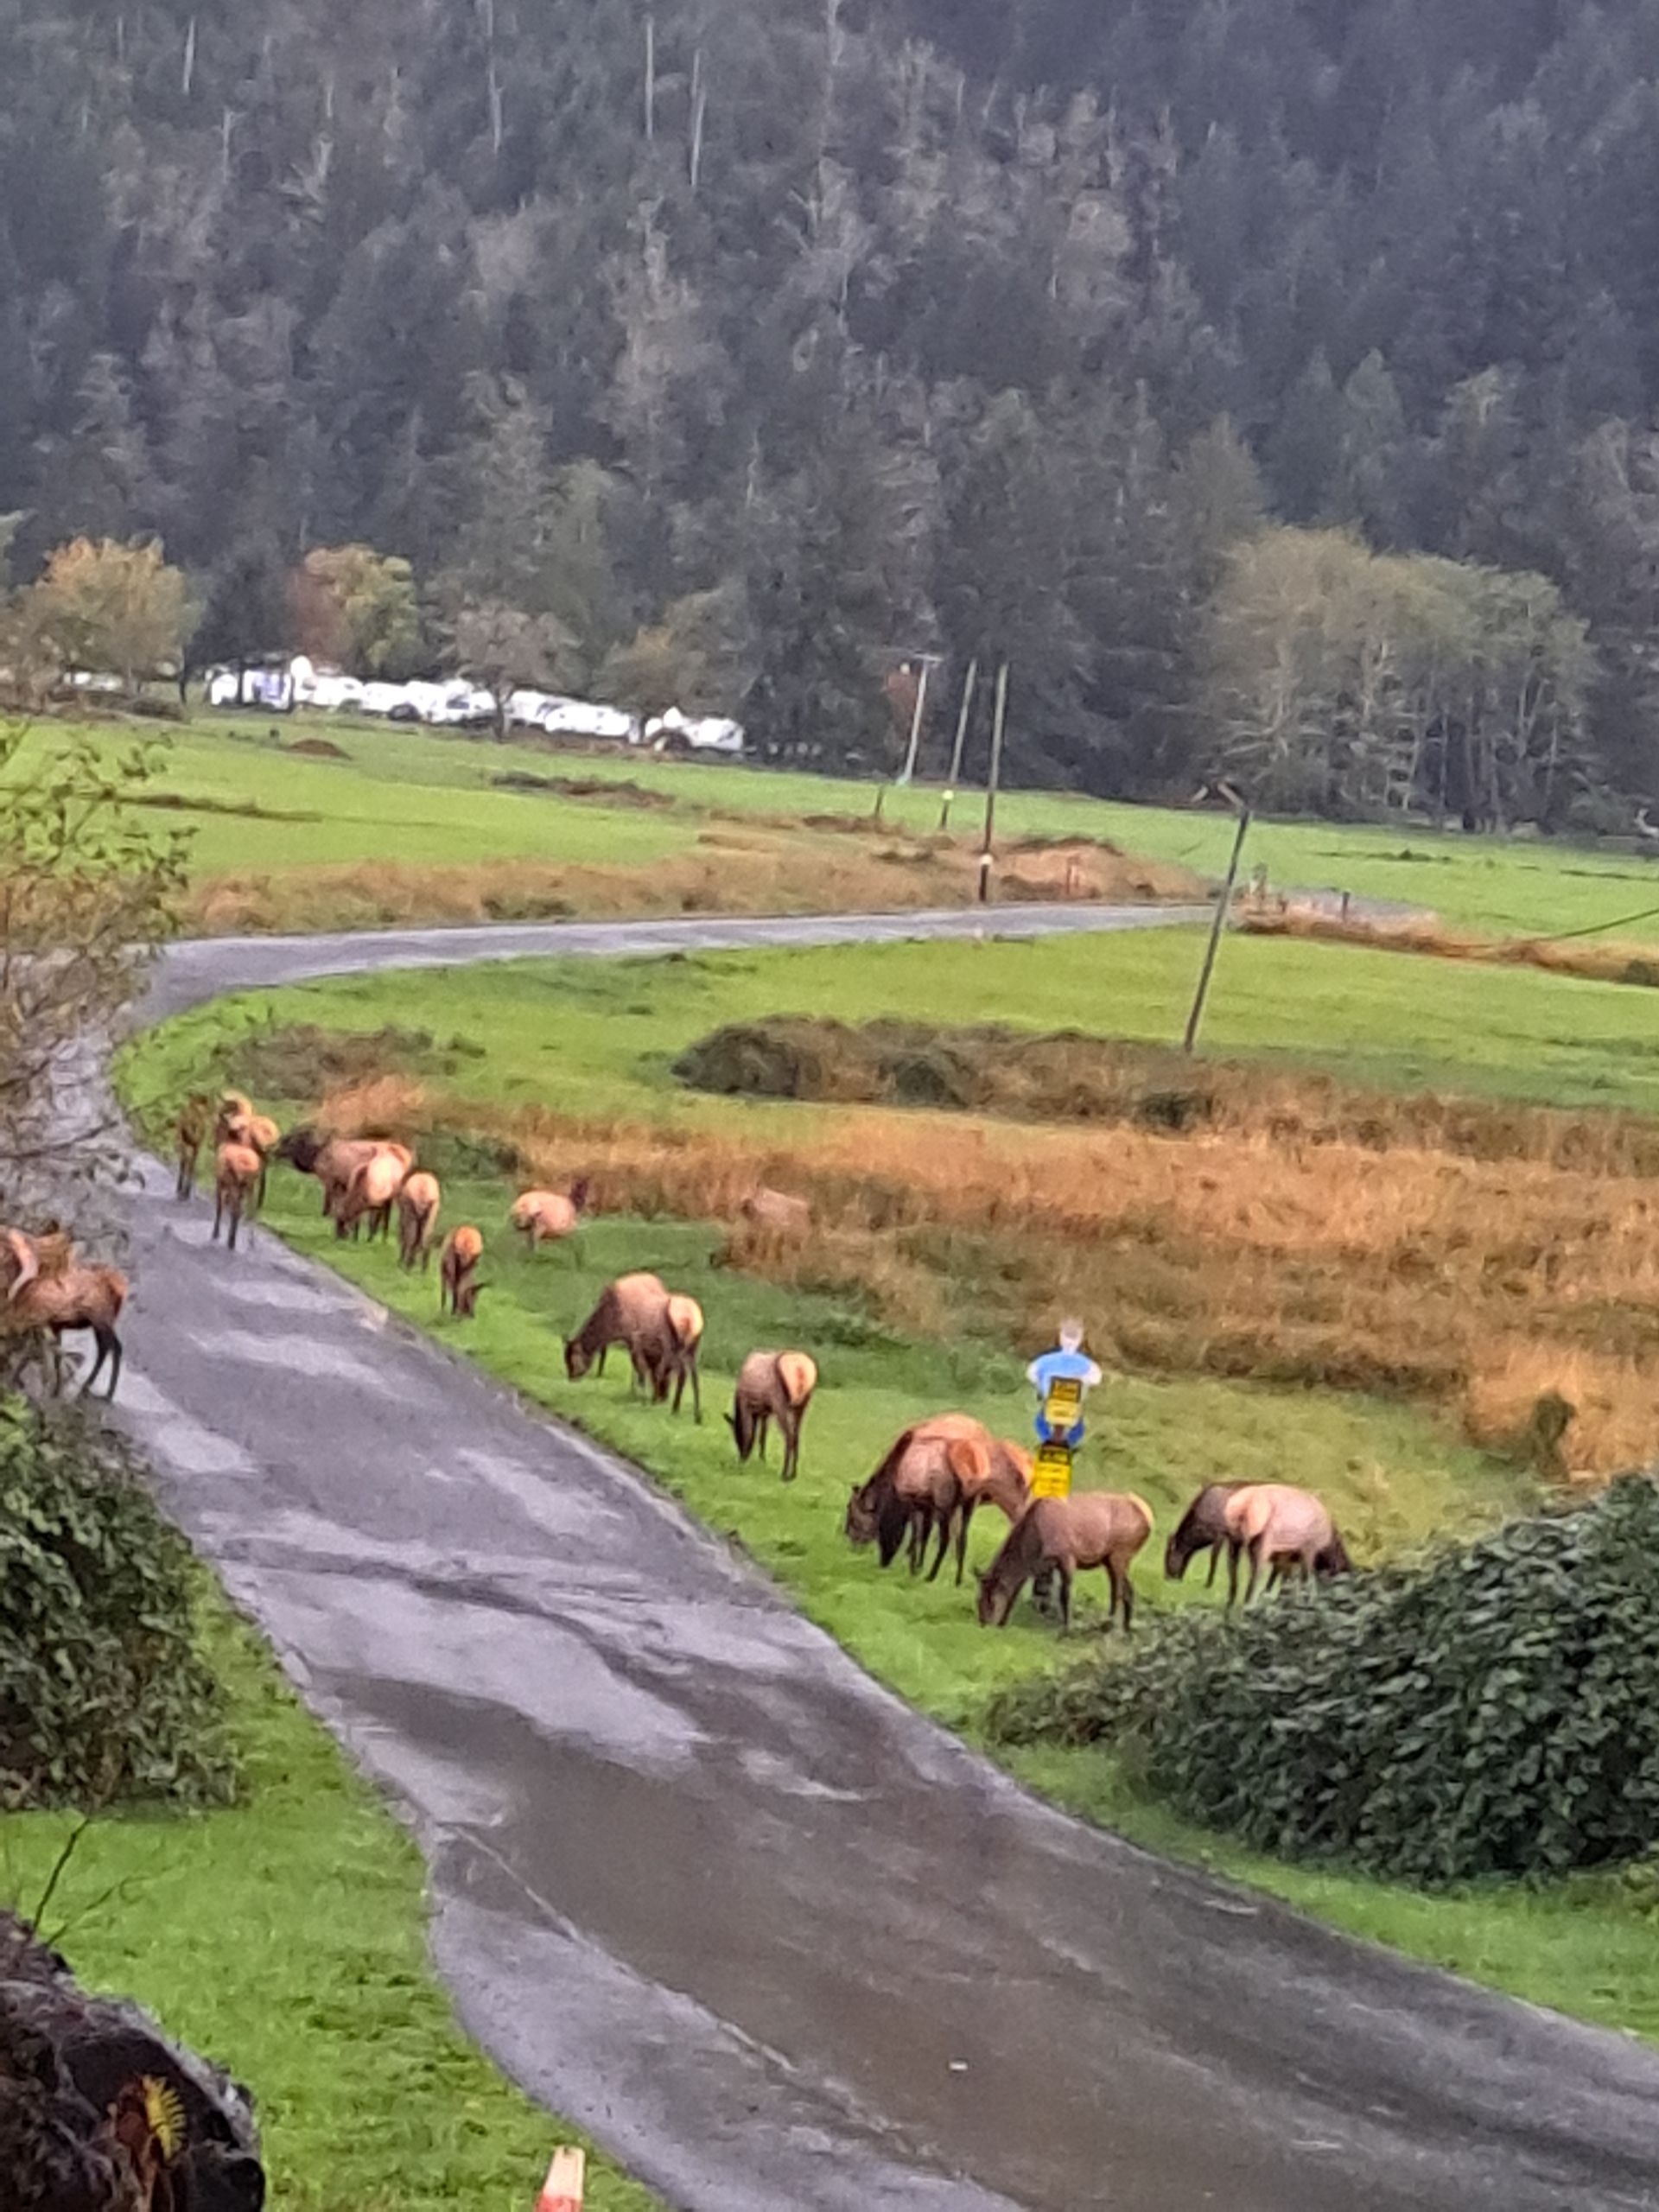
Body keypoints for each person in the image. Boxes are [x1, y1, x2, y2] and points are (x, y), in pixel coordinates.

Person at [1027, 1319, 1102, 1447]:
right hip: (1072, 1405)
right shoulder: (1086, 1364)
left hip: (1050, 1402)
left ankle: (1047, 1441)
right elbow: (1096, 1378)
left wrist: (1040, 1382)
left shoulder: (1046, 1360)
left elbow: (1031, 1373)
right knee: (1078, 1428)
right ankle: (1067, 1445)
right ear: (1080, 1340)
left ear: (1060, 1338)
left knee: (1040, 1422)